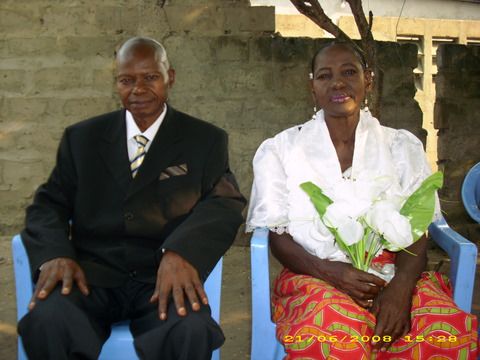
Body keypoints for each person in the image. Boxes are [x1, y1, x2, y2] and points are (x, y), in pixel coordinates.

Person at [18, 36, 245, 360]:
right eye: (127, 80)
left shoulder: (205, 139)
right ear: (116, 84)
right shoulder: (81, 138)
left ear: (171, 77)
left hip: (162, 279)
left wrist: (181, 252)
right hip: (90, 275)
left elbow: (224, 202)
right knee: (47, 320)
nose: (138, 89)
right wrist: (55, 253)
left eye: (150, 77)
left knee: (190, 330)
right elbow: (47, 204)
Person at [247, 41, 478, 359]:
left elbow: (419, 228)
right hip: (313, 274)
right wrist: (332, 273)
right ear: (312, 86)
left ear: (368, 79)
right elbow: (277, 234)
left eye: (349, 72)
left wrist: (400, 288)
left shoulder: (400, 147)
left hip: (395, 271)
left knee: (438, 333)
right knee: (337, 336)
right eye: (325, 75)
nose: (338, 83)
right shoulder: (281, 150)